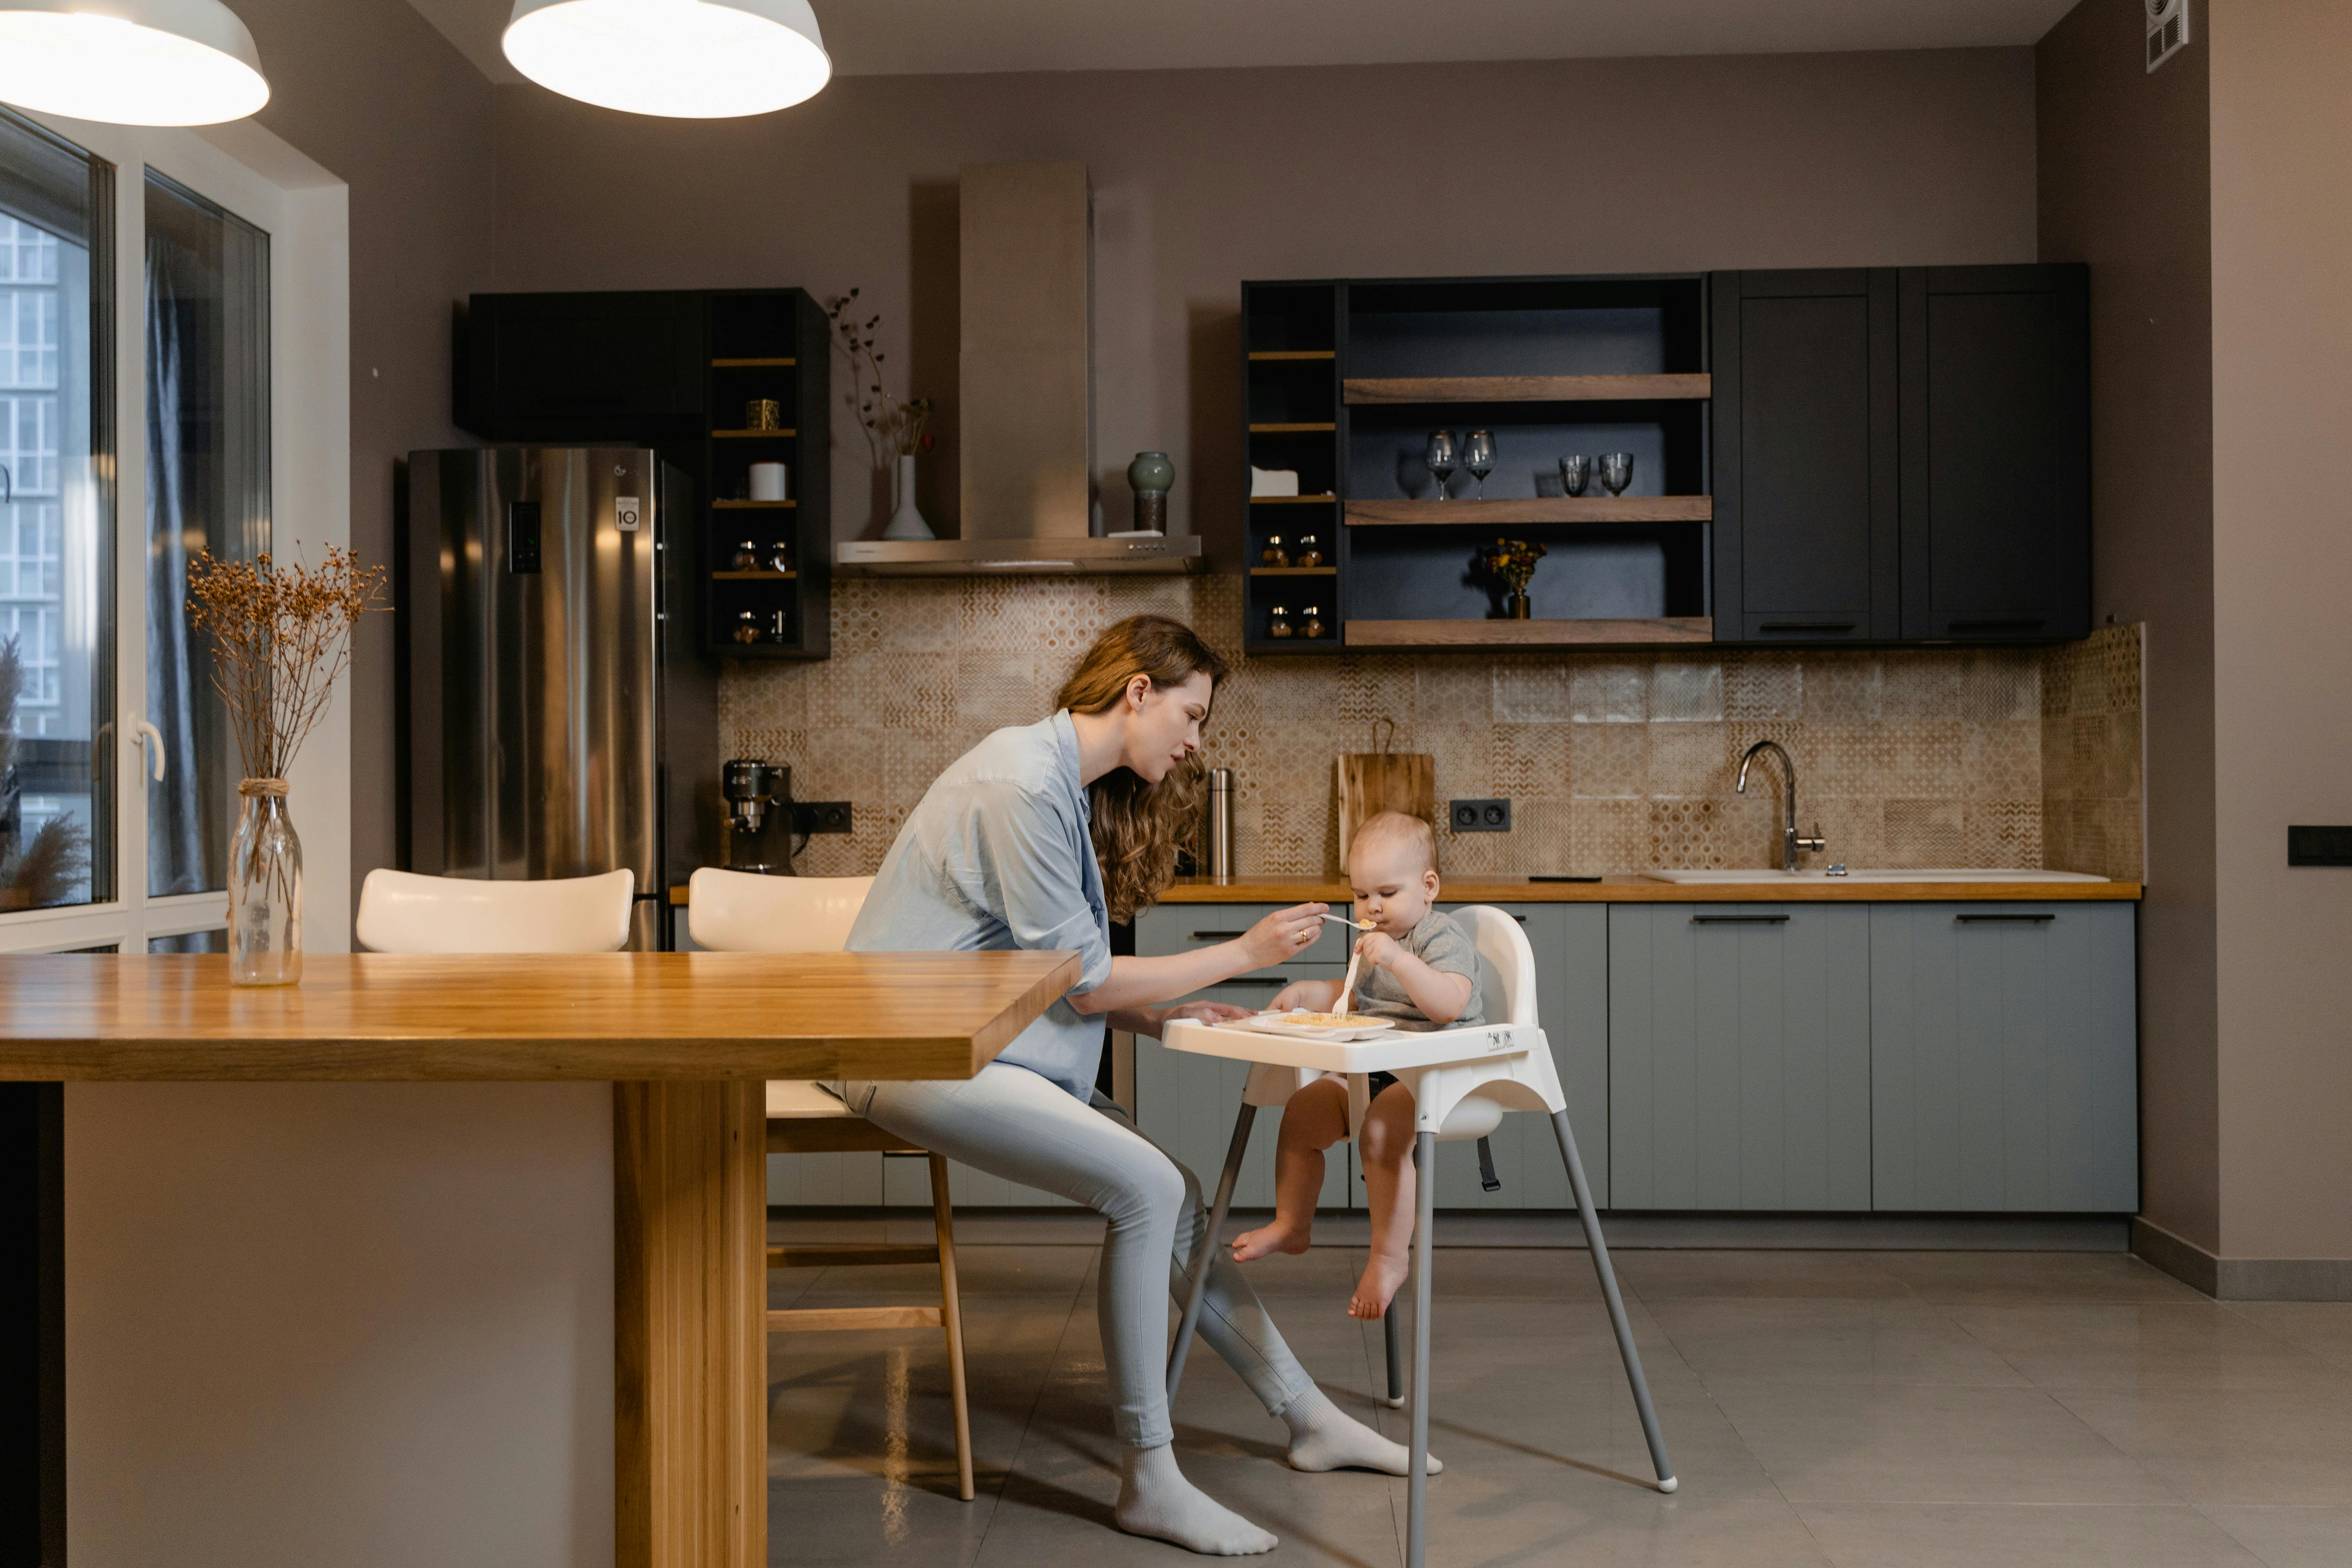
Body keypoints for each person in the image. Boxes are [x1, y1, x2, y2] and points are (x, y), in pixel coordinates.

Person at [836, 615, 1432, 1558]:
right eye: (1191, 712)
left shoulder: (1056, 783)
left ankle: (1307, 1417)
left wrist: (1163, 1018)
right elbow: (1082, 980)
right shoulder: (1021, 782)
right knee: (1147, 1186)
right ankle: (1148, 1478)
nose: (1195, 739)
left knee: (1180, 1196)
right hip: (908, 1053)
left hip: (982, 1043)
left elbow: (1045, 968)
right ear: (1139, 692)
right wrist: (1240, 953)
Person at [1230, 811, 1485, 1320]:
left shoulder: (1440, 937)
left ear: (1428, 886)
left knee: (1381, 1132)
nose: (1371, 906)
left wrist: (1397, 959)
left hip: (1437, 1070)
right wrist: (1309, 993)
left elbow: (1449, 1004)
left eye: (1387, 893)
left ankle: (1389, 1259)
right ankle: (1292, 1224)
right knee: (1303, 1111)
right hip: (1374, 1066)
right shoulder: (1374, 944)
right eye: (1361, 894)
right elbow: (1355, 1001)